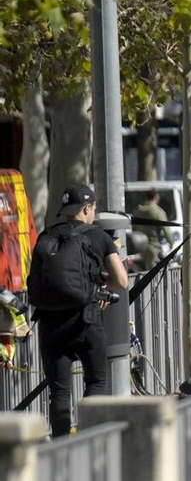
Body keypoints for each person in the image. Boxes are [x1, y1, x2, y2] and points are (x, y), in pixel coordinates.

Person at [24, 183, 127, 436]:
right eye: (92, 209)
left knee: (59, 391)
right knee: (96, 382)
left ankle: (60, 449)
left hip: (50, 324)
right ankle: (89, 440)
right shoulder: (98, 236)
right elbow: (122, 281)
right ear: (87, 208)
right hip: (85, 321)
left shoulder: (46, 236)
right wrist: (99, 287)